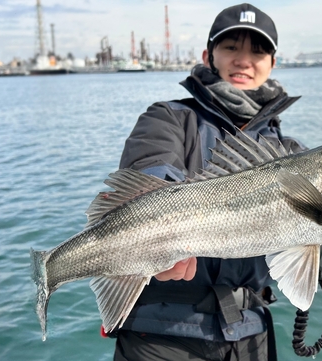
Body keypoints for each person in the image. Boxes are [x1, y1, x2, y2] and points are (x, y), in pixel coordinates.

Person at [113, 3, 306, 360]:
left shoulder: (290, 151)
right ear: (209, 54)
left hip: (252, 331)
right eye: (231, 47)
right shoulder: (169, 117)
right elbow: (150, 172)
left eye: (258, 50)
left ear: (272, 63)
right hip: (161, 332)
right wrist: (158, 230)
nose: (244, 60)